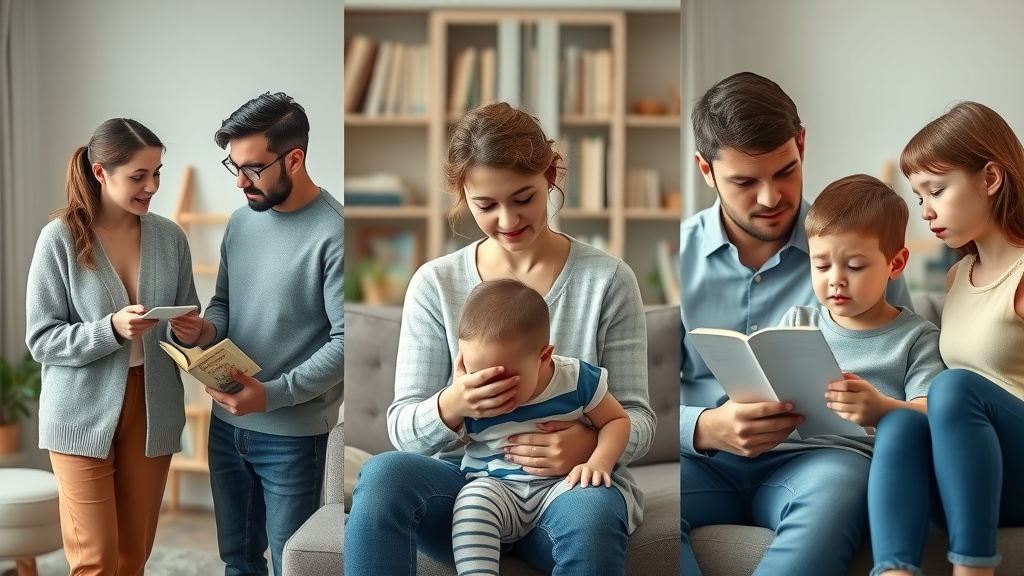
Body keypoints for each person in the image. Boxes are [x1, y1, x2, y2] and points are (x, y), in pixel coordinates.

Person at [346, 102, 656, 575]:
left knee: (592, 513)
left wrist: (589, 449)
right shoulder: (436, 284)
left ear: (550, 176)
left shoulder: (608, 281)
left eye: (523, 197)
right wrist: (453, 404)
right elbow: (403, 429)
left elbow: (638, 416)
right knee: (383, 475)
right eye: (486, 205)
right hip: (470, 489)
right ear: (462, 195)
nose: (508, 220)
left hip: (571, 490)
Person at [679, 72, 915, 576]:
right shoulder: (673, 258)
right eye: (744, 181)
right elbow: (631, 402)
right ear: (706, 169)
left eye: (785, 171)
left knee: (841, 486)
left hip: (816, 462)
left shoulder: (863, 253)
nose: (770, 198)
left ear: (801, 144)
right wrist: (705, 427)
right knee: (624, 508)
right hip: (704, 460)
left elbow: (900, 354)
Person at [170, 92, 344, 576]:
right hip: (227, 427)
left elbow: (346, 344)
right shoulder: (241, 222)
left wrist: (270, 396)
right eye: (234, 165)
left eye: (253, 168)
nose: (241, 181)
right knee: (237, 560)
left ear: (295, 158)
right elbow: (224, 305)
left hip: (293, 436)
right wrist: (205, 329)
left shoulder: (336, 233)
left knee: (297, 564)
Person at [25, 118, 200, 575]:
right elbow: (41, 338)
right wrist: (110, 329)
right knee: (95, 560)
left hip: (152, 406)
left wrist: (190, 331)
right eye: (138, 176)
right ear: (101, 173)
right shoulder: (60, 239)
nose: (152, 186)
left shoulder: (170, 237)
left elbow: (188, 315)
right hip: (79, 410)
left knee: (131, 559)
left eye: (157, 172)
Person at [868, 101, 1024, 576]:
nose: (926, 211)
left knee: (952, 387)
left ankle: (974, 570)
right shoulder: (957, 276)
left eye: (936, 190)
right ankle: (894, 571)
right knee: (898, 425)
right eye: (919, 197)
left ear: (991, 179)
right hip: (969, 476)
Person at [452, 278, 631, 576]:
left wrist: (599, 461)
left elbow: (617, 419)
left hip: (559, 489)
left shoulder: (576, 379)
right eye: (477, 374)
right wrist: (456, 404)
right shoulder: (471, 394)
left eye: (503, 378)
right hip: (497, 488)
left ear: (543, 357)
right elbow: (449, 440)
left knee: (591, 508)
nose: (489, 389)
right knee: (471, 504)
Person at [779, 174, 944, 438]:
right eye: (821, 265)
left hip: (850, 454)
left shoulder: (917, 339)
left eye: (855, 266)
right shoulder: (797, 322)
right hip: (779, 449)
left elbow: (932, 415)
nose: (835, 280)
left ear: (896, 264)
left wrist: (881, 410)